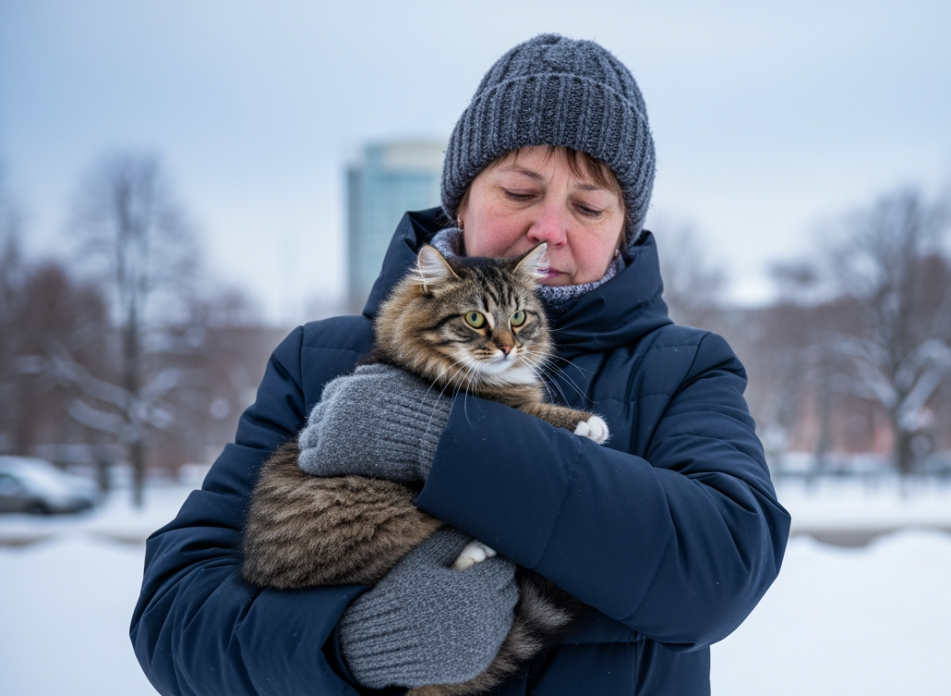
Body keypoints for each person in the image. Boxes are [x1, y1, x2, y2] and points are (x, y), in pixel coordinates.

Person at [131, 33, 789, 695]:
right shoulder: (317, 360)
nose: (549, 230)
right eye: (519, 192)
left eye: (588, 206)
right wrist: (349, 647)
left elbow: (723, 568)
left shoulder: (685, 369)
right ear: (463, 198)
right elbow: (173, 615)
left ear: (624, 226)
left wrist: (439, 439)